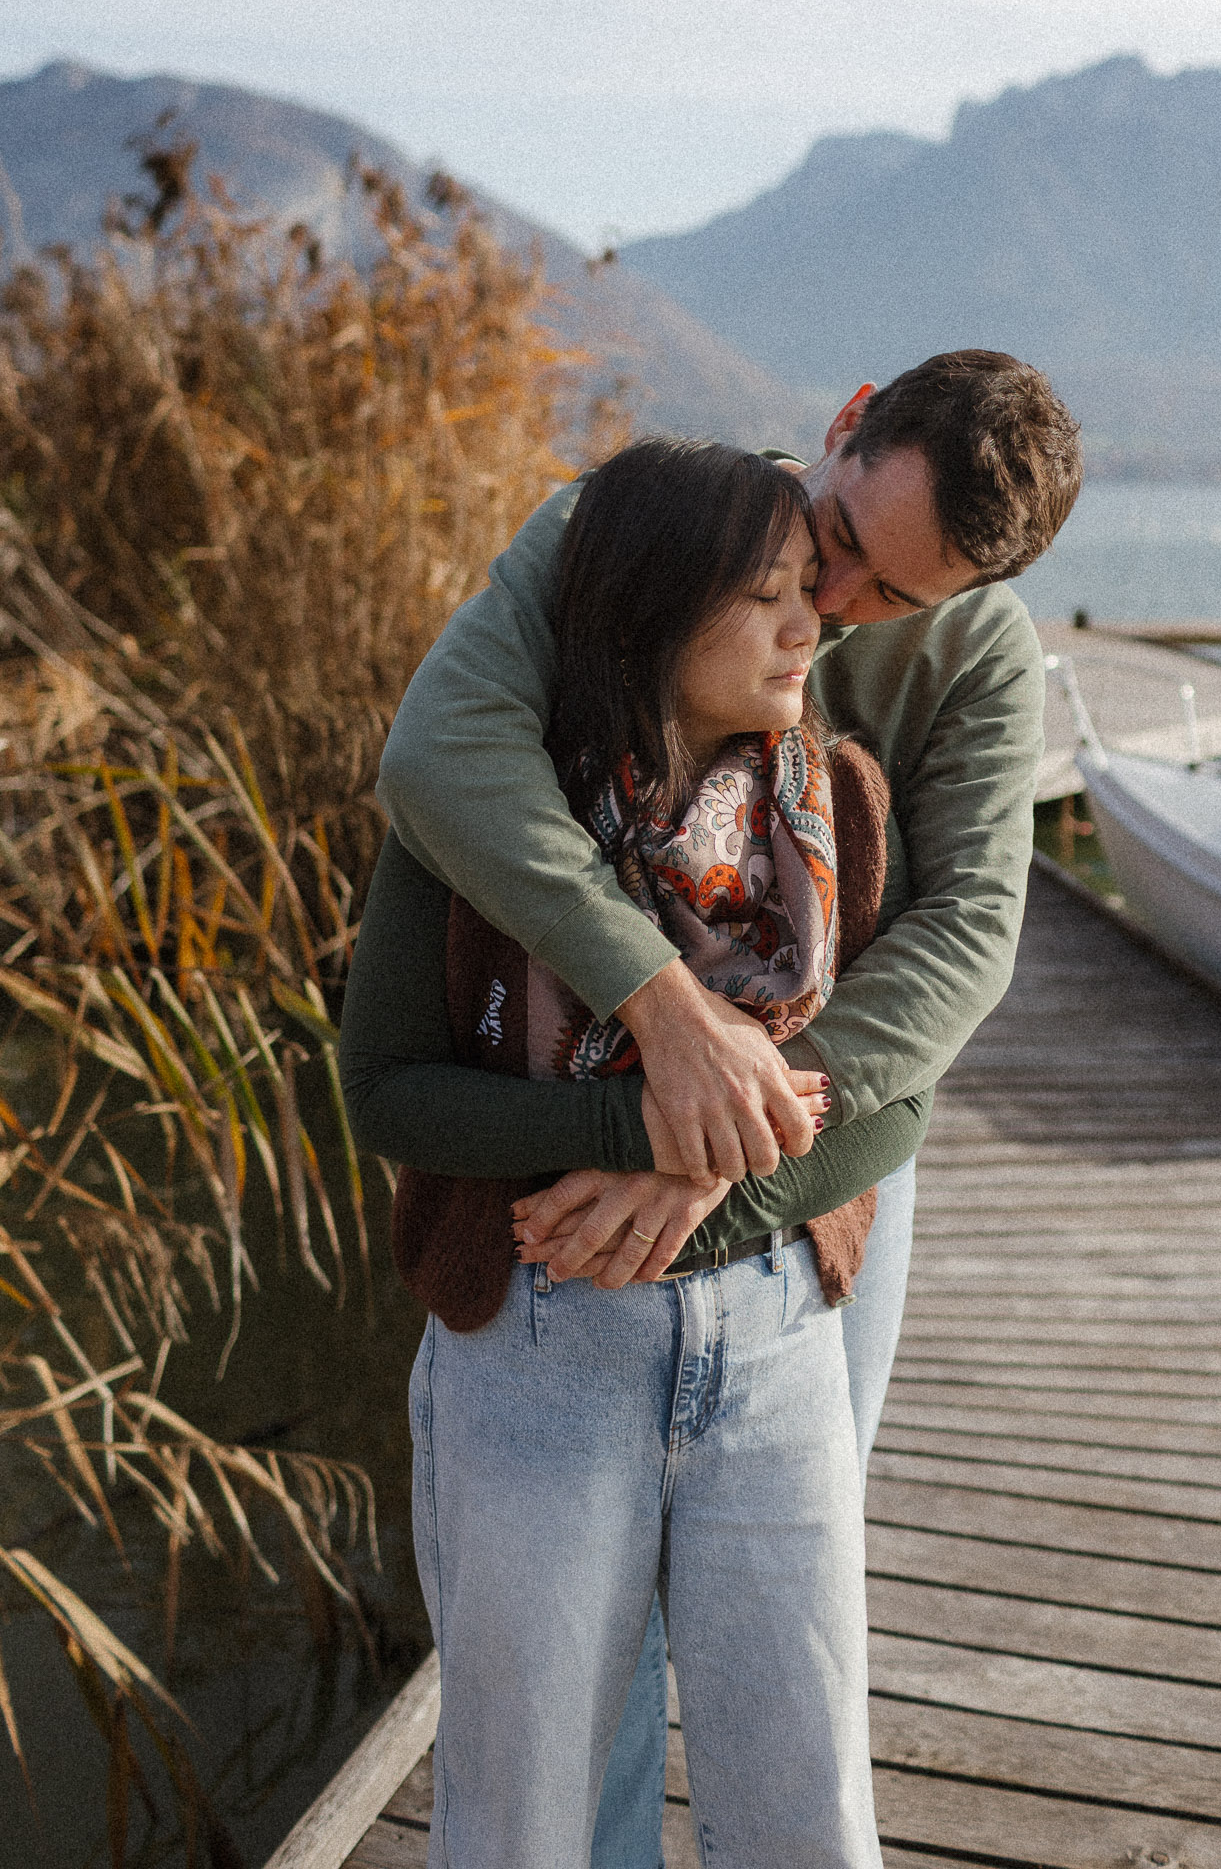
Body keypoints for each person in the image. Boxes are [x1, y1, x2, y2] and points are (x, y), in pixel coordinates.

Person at [373, 351, 1083, 1868]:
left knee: (782, 1633)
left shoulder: (971, 658)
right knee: (578, 1652)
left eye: (892, 597)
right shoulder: (642, 539)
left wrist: (724, 1141)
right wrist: (661, 1009)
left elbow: (961, 942)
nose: (831, 608)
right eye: (832, 541)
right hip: (568, 1246)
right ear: (838, 427)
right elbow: (439, 756)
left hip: (816, 1188)